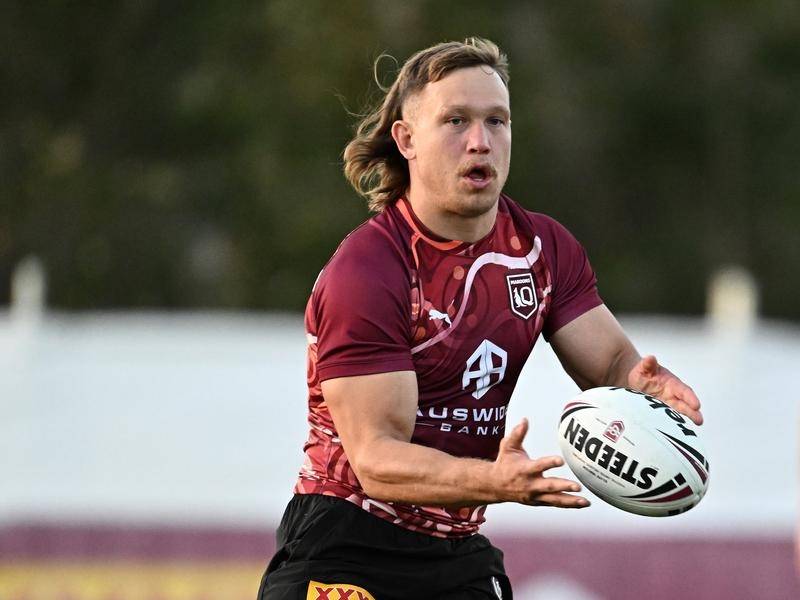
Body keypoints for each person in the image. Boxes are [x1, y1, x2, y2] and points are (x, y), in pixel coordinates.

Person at [258, 37, 703, 600]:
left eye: (497, 121)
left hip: (456, 550)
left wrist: (639, 381)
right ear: (406, 140)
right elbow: (376, 460)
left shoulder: (542, 248)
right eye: (455, 121)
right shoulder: (370, 270)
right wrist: (493, 481)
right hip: (347, 546)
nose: (480, 142)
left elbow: (609, 360)